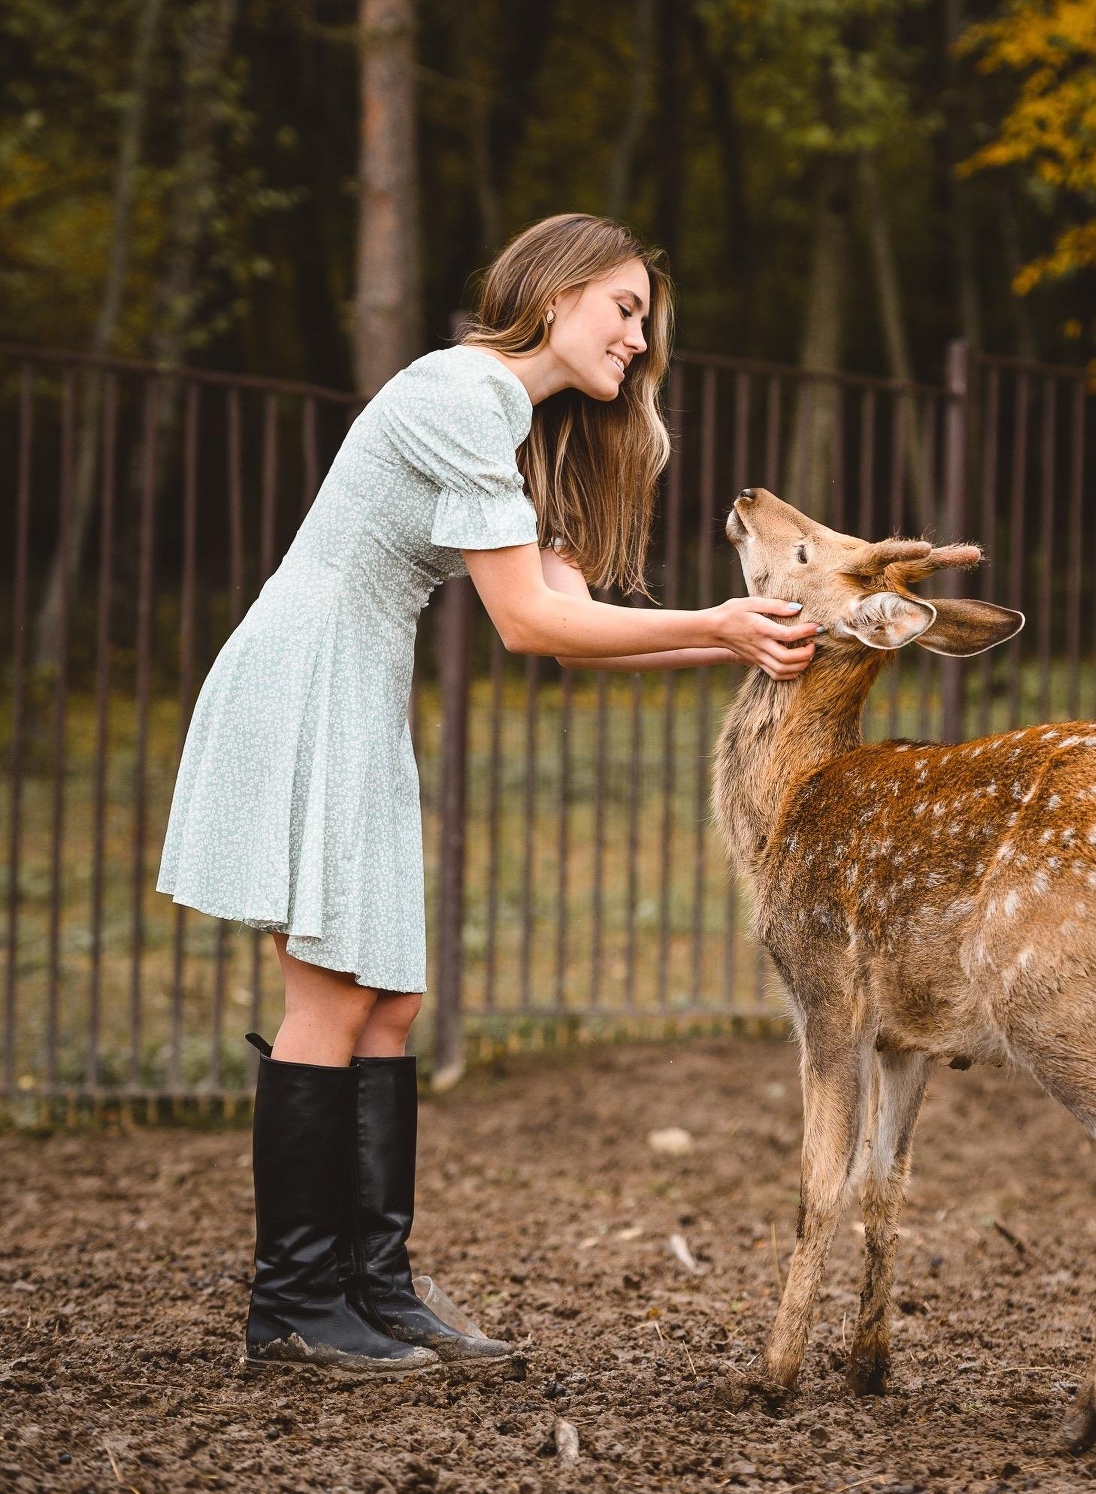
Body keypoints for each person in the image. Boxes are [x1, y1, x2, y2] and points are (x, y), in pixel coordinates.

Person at [157, 214, 817, 1376]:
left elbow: (569, 636)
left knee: (391, 1006)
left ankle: (376, 1289)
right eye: (623, 307)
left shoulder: (514, 428)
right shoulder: (458, 395)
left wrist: (742, 642)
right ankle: (295, 1306)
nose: (638, 335)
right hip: (307, 673)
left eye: (645, 320)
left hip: (357, 682)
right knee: (331, 996)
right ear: (556, 294)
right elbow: (527, 619)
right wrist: (715, 622)